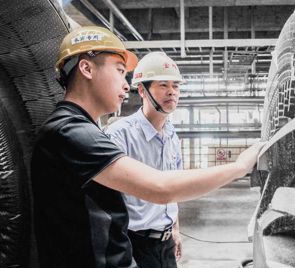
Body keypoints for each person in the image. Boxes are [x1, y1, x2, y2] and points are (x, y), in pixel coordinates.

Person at [30, 26, 263, 268]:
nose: (125, 85)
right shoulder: (71, 132)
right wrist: (240, 166)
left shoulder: (80, 129)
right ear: (86, 68)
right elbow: (161, 188)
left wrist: (173, 227)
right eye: (120, 71)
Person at [105, 52, 184, 268]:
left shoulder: (172, 135)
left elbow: (173, 189)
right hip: (133, 245)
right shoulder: (120, 135)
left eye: (175, 86)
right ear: (142, 90)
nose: (171, 92)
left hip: (166, 245)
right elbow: (105, 201)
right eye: (163, 85)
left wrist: (175, 230)